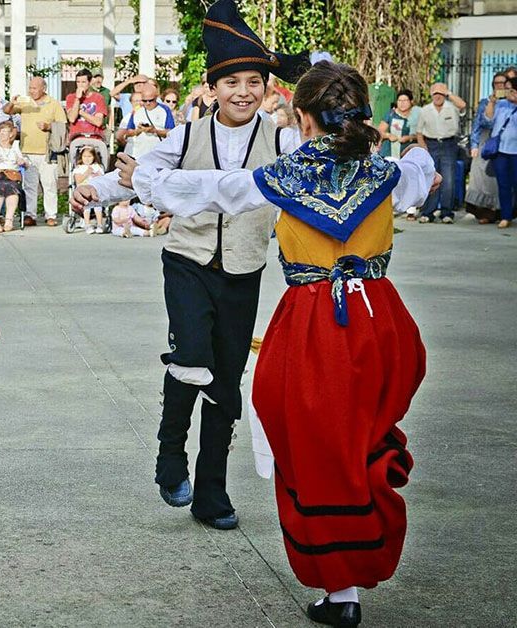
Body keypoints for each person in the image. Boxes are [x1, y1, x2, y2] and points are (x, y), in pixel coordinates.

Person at [142, 60, 436, 628]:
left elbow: (203, 189)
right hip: (379, 317)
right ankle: (352, 572)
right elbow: (423, 168)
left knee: (310, 444)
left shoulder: (280, 175)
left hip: (314, 324)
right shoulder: (390, 173)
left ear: (301, 119)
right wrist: (418, 156)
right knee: (359, 438)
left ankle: (340, 584)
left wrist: (140, 180)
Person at [73, 0, 310, 532]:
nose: (243, 92)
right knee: (192, 356)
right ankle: (169, 454)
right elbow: (140, 174)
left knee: (226, 378)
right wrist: (94, 188)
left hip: (245, 269)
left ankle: (212, 491)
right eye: (231, 82)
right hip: (187, 261)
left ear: (269, 89)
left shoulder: (285, 140)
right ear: (211, 88)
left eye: (254, 81)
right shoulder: (183, 135)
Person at [5, 76, 67, 227]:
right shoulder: (25, 102)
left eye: (34, 88)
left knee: (49, 184)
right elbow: (7, 111)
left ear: (43, 88)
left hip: (47, 151)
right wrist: (12, 102)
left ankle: (51, 215)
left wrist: (48, 126)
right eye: (30, 87)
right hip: (27, 151)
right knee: (29, 186)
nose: (31, 91)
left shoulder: (54, 104)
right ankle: (30, 214)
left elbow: (63, 125)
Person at [415, 81, 467, 223]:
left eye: (440, 93)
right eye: (435, 93)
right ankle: (428, 212)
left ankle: (446, 213)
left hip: (449, 144)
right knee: (431, 179)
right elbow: (419, 132)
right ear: (431, 95)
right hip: (431, 145)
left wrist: (448, 92)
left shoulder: (451, 108)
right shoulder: (425, 110)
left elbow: (463, 105)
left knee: (448, 179)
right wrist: (423, 148)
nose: (438, 96)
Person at [466, 73, 510, 224]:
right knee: (482, 180)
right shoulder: (485, 102)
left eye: (503, 83)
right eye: (497, 83)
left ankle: (501, 213)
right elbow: (481, 124)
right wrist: (474, 145)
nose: (500, 85)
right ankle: (484, 213)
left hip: (506, 145)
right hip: (487, 144)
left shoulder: (511, 103)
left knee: (500, 181)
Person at [480, 75, 517, 230]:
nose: (507, 92)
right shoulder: (500, 105)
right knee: (503, 185)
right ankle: (506, 216)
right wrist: (492, 102)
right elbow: (487, 120)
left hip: (516, 152)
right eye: (506, 89)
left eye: (511, 89)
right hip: (501, 150)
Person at [120, 81, 175, 159]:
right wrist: (138, 131)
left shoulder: (165, 110)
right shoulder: (137, 110)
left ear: (156, 97)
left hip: (156, 154)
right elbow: (128, 132)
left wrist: (155, 131)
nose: (148, 103)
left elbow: (171, 132)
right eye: (144, 101)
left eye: (151, 100)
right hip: (136, 154)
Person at [66, 69, 108, 141]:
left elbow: (98, 122)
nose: (80, 85)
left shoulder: (98, 98)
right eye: (78, 82)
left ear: (90, 82)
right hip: (76, 138)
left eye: (83, 82)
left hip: (94, 138)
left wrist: (80, 112)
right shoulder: (71, 97)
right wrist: (78, 99)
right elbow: (72, 118)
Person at [72, 146, 106, 234]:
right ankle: (87, 224)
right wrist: (87, 172)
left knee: (97, 205)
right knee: (87, 206)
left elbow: (102, 179)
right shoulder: (79, 168)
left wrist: (97, 174)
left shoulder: (97, 167)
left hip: (95, 190)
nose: (87, 159)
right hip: (84, 191)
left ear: (94, 157)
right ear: (81, 157)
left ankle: (99, 224)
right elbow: (78, 180)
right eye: (85, 156)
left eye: (89, 156)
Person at [378, 90, 419, 160]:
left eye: (405, 100)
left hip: (408, 154)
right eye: (399, 100)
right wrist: (388, 135)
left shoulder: (417, 115)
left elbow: (423, 135)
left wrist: (409, 138)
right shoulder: (391, 114)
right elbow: (379, 132)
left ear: (411, 101)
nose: (402, 103)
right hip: (389, 154)